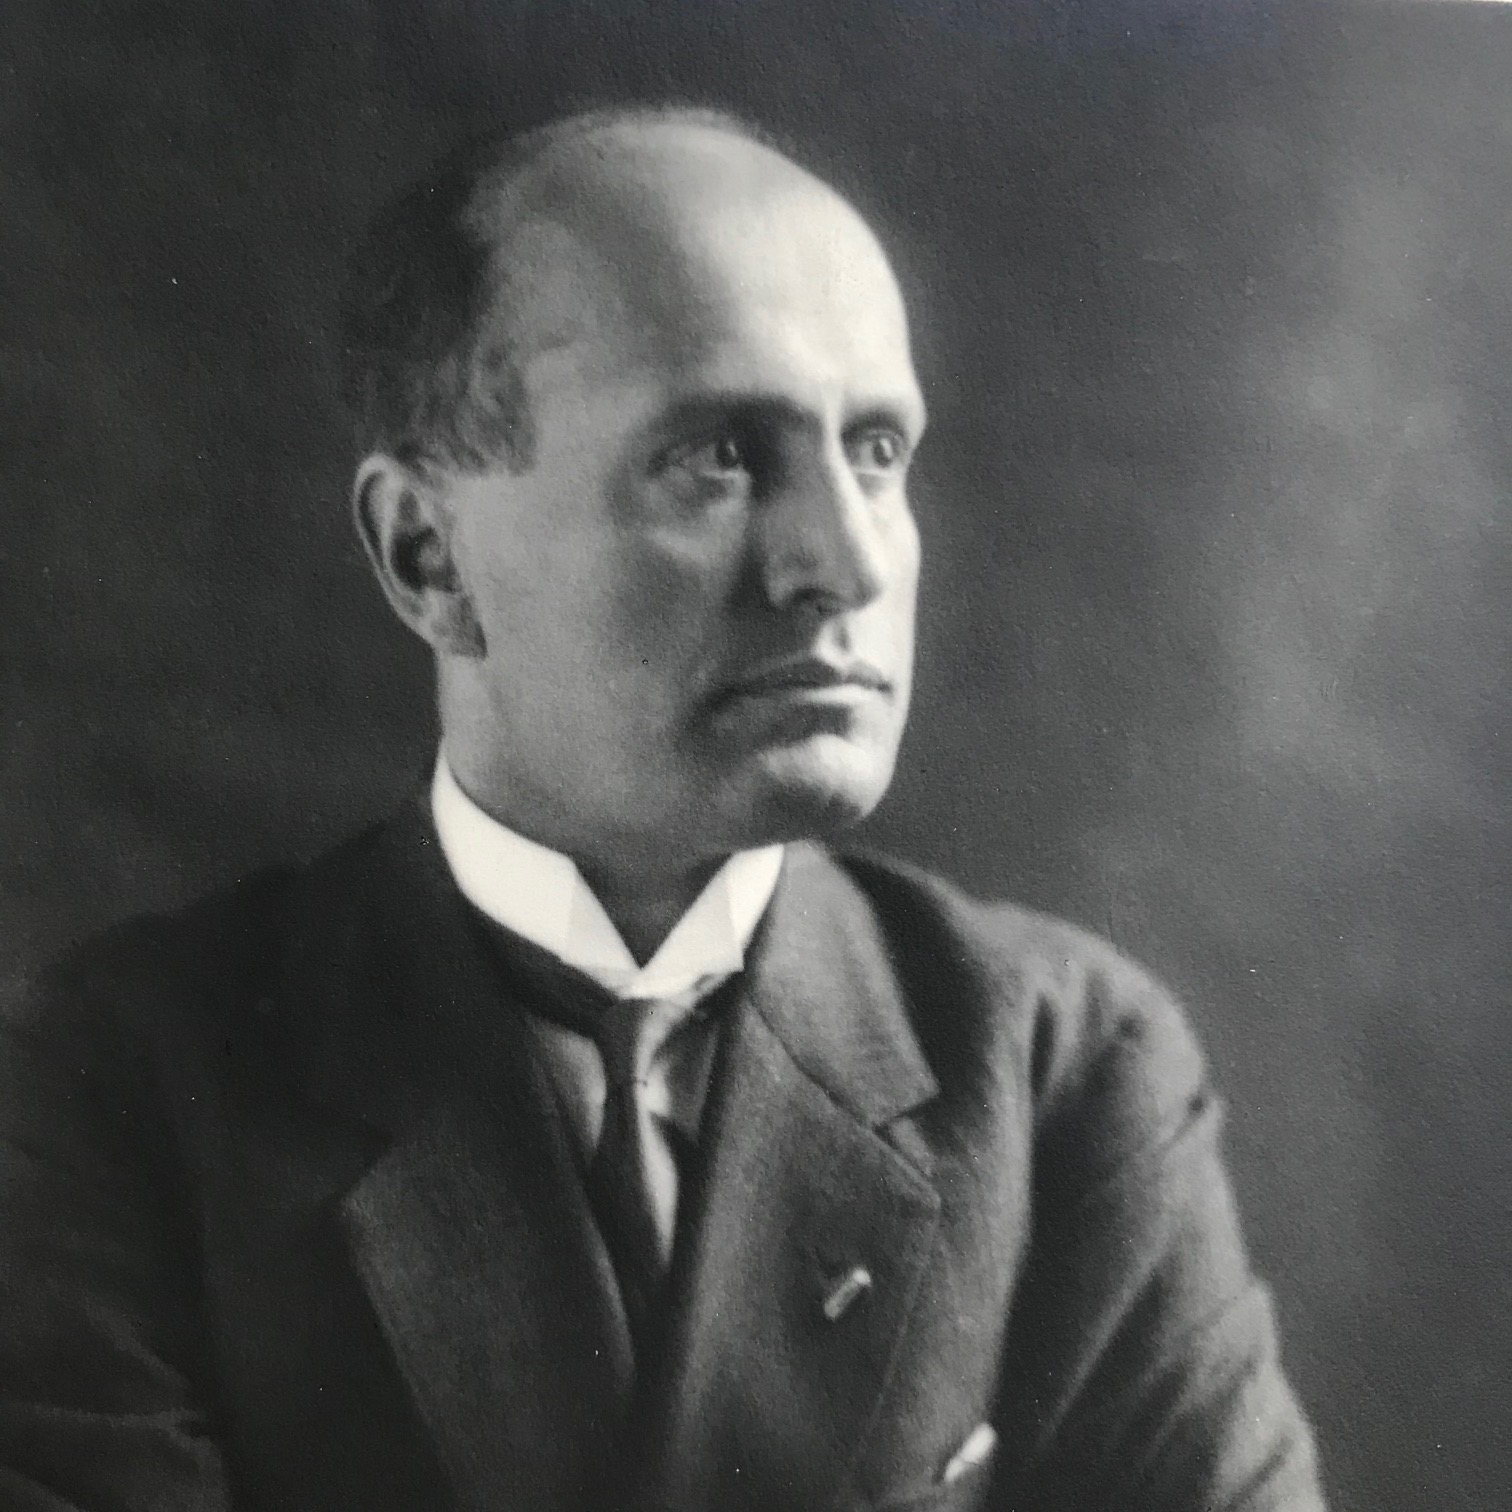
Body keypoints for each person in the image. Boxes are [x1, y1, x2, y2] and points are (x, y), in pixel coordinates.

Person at [0, 104, 1327, 1511]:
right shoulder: (115, 1088)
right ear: (428, 555)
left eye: (878, 450)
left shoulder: (1063, 1072)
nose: (847, 563)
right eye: (719, 457)